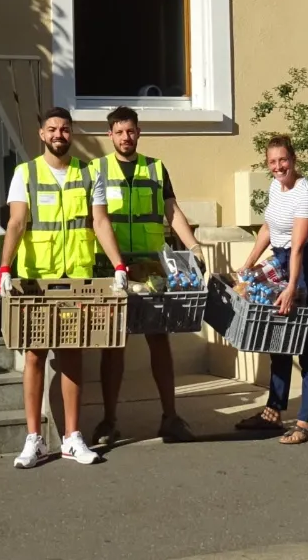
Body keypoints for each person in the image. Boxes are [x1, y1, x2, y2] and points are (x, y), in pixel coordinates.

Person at [0, 107, 128, 469]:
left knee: (72, 355)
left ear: (72, 135)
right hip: (36, 279)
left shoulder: (90, 174)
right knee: (35, 356)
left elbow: (99, 222)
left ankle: (72, 438)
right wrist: (4, 266)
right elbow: (17, 222)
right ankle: (34, 440)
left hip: (76, 279)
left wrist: (118, 265)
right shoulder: (24, 173)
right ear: (41, 134)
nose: (59, 134)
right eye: (52, 128)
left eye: (65, 129)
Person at [89, 106, 202, 446]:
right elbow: (91, 218)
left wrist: (194, 246)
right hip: (112, 267)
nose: (126, 137)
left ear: (139, 132)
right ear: (110, 135)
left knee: (159, 340)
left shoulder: (155, 167)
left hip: (153, 267)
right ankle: (109, 421)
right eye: (119, 132)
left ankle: (170, 417)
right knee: (114, 344)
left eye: (131, 131)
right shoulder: (96, 169)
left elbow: (171, 209)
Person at [233, 135, 308, 445]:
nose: (278, 167)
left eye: (283, 160)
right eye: (272, 162)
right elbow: (269, 227)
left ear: (293, 159)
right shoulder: (276, 187)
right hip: (282, 259)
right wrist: (249, 262)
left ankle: (305, 421)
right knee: (278, 337)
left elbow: (299, 246)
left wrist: (290, 288)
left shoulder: (306, 193)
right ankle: (273, 412)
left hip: (306, 269)